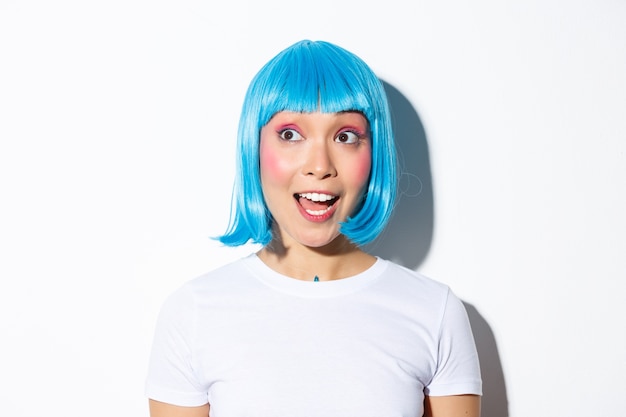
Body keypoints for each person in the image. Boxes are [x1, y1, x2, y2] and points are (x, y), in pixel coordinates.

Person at [145, 39, 482, 417]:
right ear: (253, 148)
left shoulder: (434, 312)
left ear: (375, 153)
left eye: (345, 136)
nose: (319, 165)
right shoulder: (193, 312)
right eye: (290, 134)